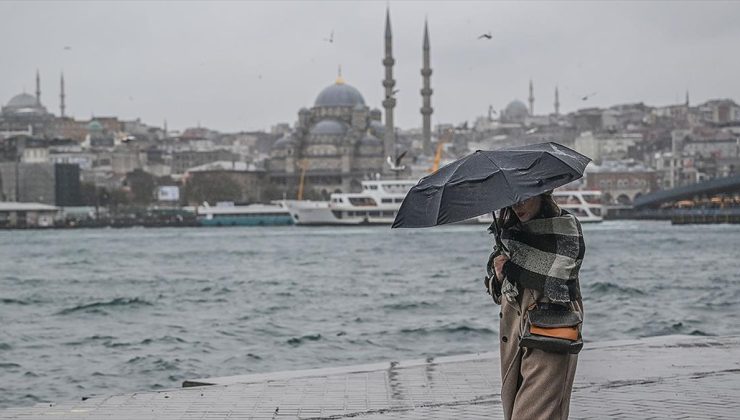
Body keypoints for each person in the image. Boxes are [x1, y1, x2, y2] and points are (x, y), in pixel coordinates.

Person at [484, 192, 585, 420]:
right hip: (515, 334)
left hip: (549, 327)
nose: (517, 206)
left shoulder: (564, 228)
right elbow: (499, 290)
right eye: (511, 200)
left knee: (534, 413)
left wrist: (514, 269)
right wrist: (499, 276)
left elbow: (561, 277)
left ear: (542, 195)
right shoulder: (509, 236)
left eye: (524, 198)